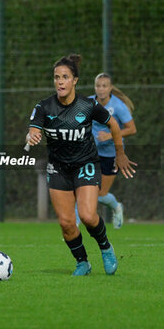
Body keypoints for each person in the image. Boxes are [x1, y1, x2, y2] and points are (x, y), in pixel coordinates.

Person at [26, 54, 137, 276]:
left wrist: (120, 153)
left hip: (85, 164)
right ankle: (82, 262)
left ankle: (105, 247)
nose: (60, 82)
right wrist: (33, 135)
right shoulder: (44, 107)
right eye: (56, 77)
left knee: (87, 216)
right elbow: (34, 129)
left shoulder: (88, 105)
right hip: (58, 168)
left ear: (74, 80)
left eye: (65, 77)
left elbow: (114, 125)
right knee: (67, 224)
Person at [75, 73, 137, 229]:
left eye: (104, 86)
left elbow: (132, 129)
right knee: (82, 189)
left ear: (110, 88)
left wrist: (110, 135)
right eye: (98, 86)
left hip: (111, 154)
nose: (101, 89)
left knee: (100, 195)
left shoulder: (118, 106)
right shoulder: (89, 102)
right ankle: (74, 227)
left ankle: (116, 207)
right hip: (91, 153)